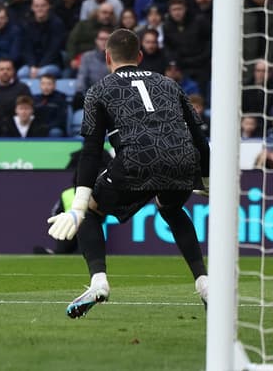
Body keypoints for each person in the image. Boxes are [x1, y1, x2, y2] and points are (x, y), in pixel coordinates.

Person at [47, 28, 210, 319]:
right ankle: (204, 283)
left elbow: (92, 149)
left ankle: (99, 282)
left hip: (136, 159)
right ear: (140, 56)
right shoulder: (169, 84)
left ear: (107, 57)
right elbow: (199, 136)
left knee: (92, 212)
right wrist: (207, 180)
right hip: (182, 158)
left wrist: (78, 205)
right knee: (171, 208)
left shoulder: (99, 89)